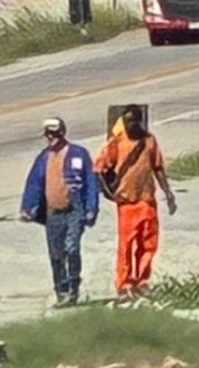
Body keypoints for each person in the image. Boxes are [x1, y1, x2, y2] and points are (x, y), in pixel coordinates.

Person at [95, 105, 177, 299]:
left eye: (134, 121)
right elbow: (98, 168)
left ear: (140, 121)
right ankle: (123, 283)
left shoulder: (149, 141)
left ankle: (141, 280)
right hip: (127, 203)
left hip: (147, 200)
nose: (131, 125)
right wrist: (108, 193)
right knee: (126, 246)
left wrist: (168, 193)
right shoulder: (117, 143)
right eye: (128, 121)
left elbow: (157, 168)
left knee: (148, 244)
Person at [20, 118, 100, 307]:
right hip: (53, 213)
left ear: (63, 133)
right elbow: (34, 184)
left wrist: (91, 209)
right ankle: (61, 291)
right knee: (56, 254)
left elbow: (91, 183)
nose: (52, 137)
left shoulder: (78, 154)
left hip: (75, 209)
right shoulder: (43, 158)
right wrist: (27, 207)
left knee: (71, 248)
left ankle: (73, 288)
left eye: (56, 133)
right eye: (48, 133)